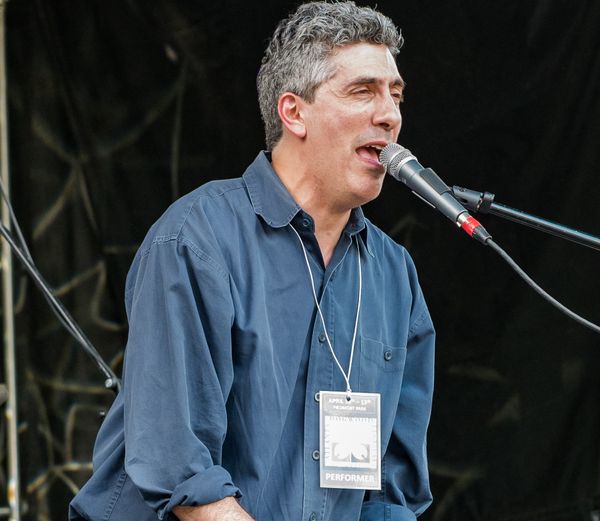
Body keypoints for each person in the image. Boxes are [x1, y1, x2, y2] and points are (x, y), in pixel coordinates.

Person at [69, 2, 435, 520]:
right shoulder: (198, 239)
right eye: (363, 91)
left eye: (395, 95)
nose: (390, 115)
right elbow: (182, 473)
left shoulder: (394, 274)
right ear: (293, 112)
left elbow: (390, 493)